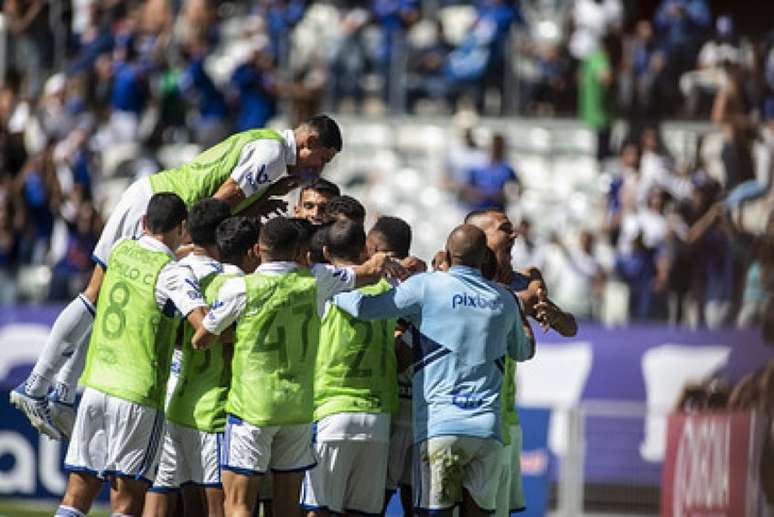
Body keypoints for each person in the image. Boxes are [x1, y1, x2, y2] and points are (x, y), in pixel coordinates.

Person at [11, 114, 343, 440]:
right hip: (159, 210)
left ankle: (62, 393)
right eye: (321, 159)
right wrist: (191, 238)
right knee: (96, 292)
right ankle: (37, 384)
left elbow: (222, 195)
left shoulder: (266, 142)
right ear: (308, 141)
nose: (319, 169)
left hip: (160, 204)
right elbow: (217, 203)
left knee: (106, 296)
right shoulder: (272, 154)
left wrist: (255, 206)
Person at [191, 217, 402, 517]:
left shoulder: (240, 288)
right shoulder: (316, 279)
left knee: (237, 502)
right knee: (287, 507)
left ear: (256, 249)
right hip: (298, 408)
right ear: (299, 251)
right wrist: (381, 258)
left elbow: (201, 340)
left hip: (253, 407)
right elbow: (367, 274)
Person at [333, 224, 535, 516]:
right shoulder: (504, 300)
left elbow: (365, 309)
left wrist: (331, 288)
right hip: (486, 429)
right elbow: (523, 351)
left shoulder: (427, 286)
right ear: (483, 258)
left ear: (449, 253)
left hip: (440, 428)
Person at [56, 193, 210, 517]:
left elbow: (159, 248)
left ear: (143, 223)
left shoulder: (122, 249)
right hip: (138, 396)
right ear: (182, 227)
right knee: (126, 503)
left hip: (97, 386)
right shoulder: (172, 273)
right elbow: (203, 326)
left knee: (76, 493)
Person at [464, 208, 577, 515]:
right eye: (504, 229)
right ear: (479, 237)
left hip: (503, 423)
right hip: (456, 414)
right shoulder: (451, 280)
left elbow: (570, 328)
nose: (514, 235)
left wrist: (552, 314)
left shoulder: (523, 282)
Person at [143, 201, 251, 517]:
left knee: (172, 498)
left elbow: (176, 335)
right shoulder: (235, 282)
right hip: (213, 407)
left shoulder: (176, 271)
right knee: (218, 507)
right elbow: (216, 335)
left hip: (176, 402)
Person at [300, 219, 400, 516]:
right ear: (363, 250)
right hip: (377, 417)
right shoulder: (388, 288)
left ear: (326, 251)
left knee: (317, 509)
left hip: (331, 410)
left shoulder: (321, 288)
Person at [365, 216, 416, 515]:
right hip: (417, 415)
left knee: (375, 504)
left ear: (377, 249)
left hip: (392, 416)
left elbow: (398, 360)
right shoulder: (421, 286)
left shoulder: (383, 291)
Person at [460, 133, 520, 211]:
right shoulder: (476, 166)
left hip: (496, 212)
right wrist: (479, 194)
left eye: (499, 146)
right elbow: (464, 190)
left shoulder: (507, 169)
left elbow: (516, 191)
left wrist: (504, 196)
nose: (496, 149)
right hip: (476, 211)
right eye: (494, 146)